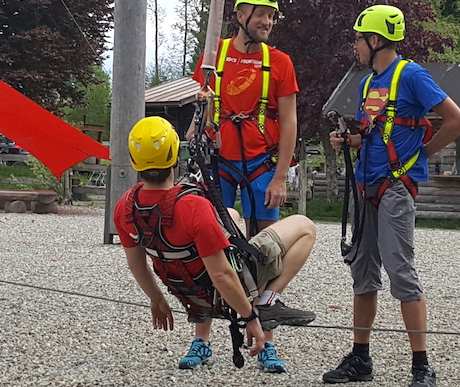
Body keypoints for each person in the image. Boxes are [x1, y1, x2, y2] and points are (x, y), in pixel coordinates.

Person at [323, 5, 460, 387]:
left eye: (358, 39)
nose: (354, 46)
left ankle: (422, 367)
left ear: (375, 40)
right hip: (365, 186)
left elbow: (457, 120)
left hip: (394, 188)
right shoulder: (367, 84)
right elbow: (376, 133)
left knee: (401, 271)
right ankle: (360, 358)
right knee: (362, 273)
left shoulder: (412, 75)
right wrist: (348, 140)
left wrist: (422, 154)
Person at [114, 116, 316, 373]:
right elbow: (221, 274)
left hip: (189, 290)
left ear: (134, 161)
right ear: (175, 156)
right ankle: (267, 300)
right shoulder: (192, 206)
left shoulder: (125, 206)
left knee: (230, 215)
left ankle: (202, 339)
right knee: (305, 226)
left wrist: (157, 299)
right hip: (231, 286)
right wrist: (249, 317)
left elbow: (137, 264)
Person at [186, 0, 301, 368]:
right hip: (218, 165)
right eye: (262, 14)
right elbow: (200, 107)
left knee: (264, 253)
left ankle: (265, 342)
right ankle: (201, 339)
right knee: (207, 248)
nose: (269, 21)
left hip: (261, 168)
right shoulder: (212, 56)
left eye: (272, 15)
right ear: (240, 16)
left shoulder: (280, 62)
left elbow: (289, 122)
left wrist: (281, 176)